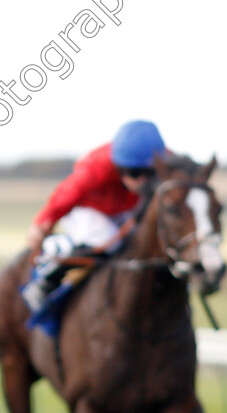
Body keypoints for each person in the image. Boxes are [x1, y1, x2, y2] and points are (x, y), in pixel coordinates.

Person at [21, 120, 166, 312]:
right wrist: (42, 222)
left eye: (150, 173)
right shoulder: (96, 167)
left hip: (124, 211)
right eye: (135, 172)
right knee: (108, 238)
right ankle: (47, 281)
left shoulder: (166, 158)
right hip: (84, 210)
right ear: (119, 168)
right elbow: (65, 195)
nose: (142, 181)